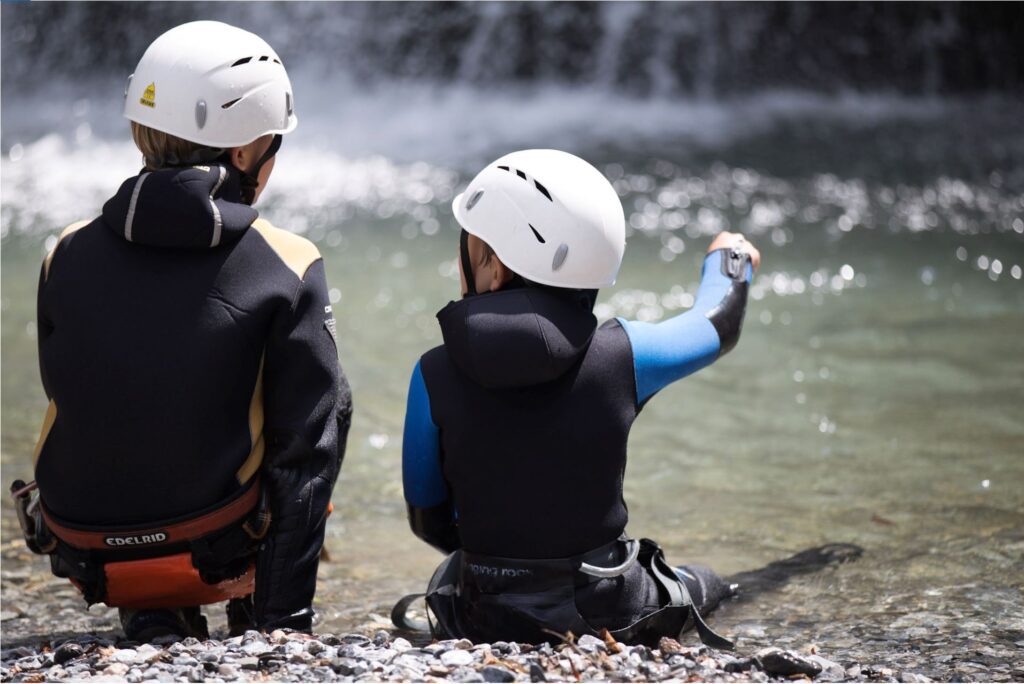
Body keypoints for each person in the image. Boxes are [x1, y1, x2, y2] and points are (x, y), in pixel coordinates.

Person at [13, 21, 352, 641]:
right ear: (246, 151)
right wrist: (287, 631)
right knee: (319, 416)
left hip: (86, 549)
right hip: (216, 548)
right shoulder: (289, 261)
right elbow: (307, 451)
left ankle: (152, 610)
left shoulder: (64, 251)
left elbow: (89, 394)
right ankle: (267, 610)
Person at [397, 149, 760, 647]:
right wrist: (730, 259)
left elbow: (428, 519)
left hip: (481, 613)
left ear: (495, 268)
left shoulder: (432, 372)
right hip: (606, 609)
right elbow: (718, 323)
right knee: (706, 583)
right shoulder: (624, 355)